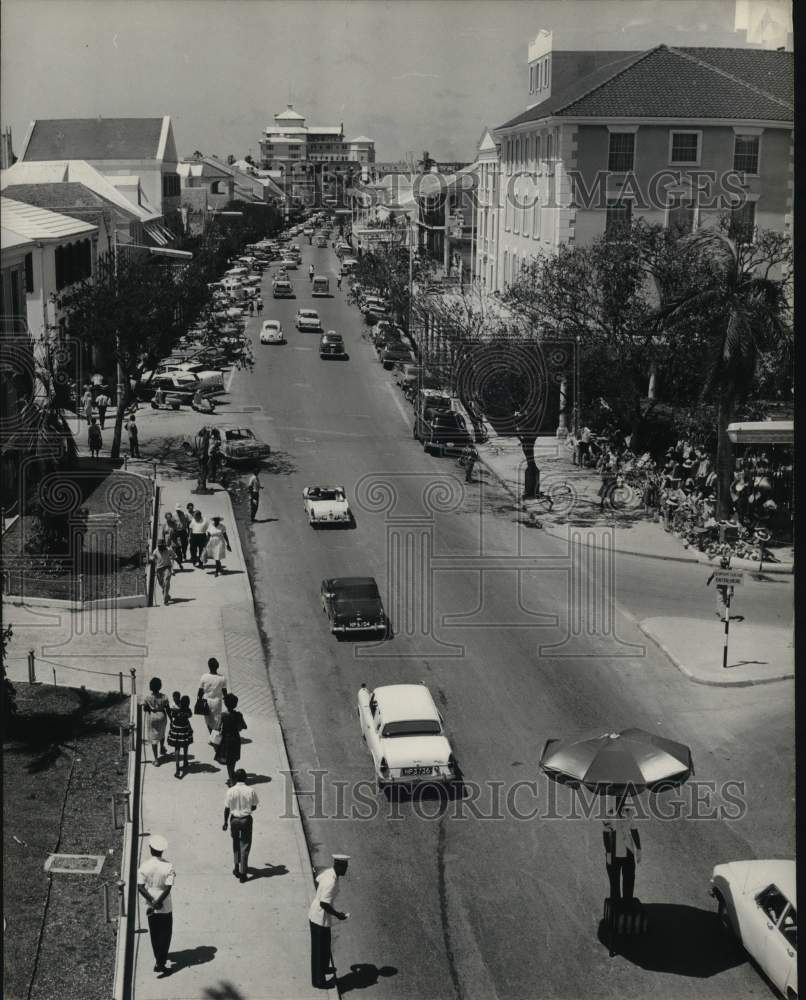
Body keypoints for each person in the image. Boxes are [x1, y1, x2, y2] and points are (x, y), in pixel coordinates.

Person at [308, 854, 350, 989]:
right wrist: (339, 915)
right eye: (345, 866)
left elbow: (317, 879)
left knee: (325, 945)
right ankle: (318, 981)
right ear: (339, 866)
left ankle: (324, 968)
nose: (346, 869)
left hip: (322, 917)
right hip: (319, 918)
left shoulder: (330, 873)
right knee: (318, 950)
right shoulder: (331, 881)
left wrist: (320, 892)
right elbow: (324, 904)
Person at [137, 834, 175, 974]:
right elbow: (168, 887)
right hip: (165, 904)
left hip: (150, 903)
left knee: (154, 933)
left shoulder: (145, 866)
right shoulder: (168, 866)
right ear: (162, 851)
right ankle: (160, 962)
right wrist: (159, 902)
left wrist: (152, 902)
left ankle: (158, 958)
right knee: (166, 933)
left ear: (150, 849)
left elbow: (140, 887)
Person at [223, 769, 260, 883]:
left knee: (235, 843)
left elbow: (227, 808)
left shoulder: (230, 791)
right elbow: (254, 806)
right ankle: (243, 873)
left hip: (234, 820)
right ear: (246, 778)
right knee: (245, 845)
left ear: (234, 778)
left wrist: (225, 822)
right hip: (246, 820)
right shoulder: (251, 790)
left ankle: (236, 866)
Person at [602, 805, 641, 903]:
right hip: (614, 851)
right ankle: (616, 906)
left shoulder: (630, 812)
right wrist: (608, 853)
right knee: (615, 884)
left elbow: (634, 830)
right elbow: (606, 834)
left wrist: (638, 848)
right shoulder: (610, 814)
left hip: (628, 851)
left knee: (629, 880)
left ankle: (627, 904)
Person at [215, 693, 247, 786]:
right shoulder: (239, 715)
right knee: (232, 760)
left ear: (225, 704)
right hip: (235, 739)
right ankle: (232, 778)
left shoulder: (223, 715)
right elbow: (244, 726)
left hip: (225, 740)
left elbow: (217, 727)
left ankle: (232, 780)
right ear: (235, 704)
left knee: (229, 761)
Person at [198, 657, 228, 739]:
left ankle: (212, 736)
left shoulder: (204, 677)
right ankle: (215, 738)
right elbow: (225, 692)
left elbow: (200, 691)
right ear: (217, 666)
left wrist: (199, 701)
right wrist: (227, 702)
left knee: (208, 721)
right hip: (217, 703)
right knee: (217, 722)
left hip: (206, 702)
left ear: (209, 666)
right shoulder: (222, 678)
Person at [144, 676, 170, 765]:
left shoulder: (148, 698)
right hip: (162, 716)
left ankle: (156, 759)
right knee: (162, 732)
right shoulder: (164, 697)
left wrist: (150, 708)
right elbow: (168, 708)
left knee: (154, 737)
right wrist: (171, 719)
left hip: (153, 718)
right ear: (160, 686)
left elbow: (145, 709)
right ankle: (162, 747)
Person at [167, 694, 194, 778]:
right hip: (184, 730)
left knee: (177, 748)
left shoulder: (176, 711)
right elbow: (189, 715)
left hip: (176, 730)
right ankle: (185, 760)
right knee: (185, 744)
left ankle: (177, 767)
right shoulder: (188, 711)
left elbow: (172, 715)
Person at [150, 540, 175, 605]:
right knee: (162, 584)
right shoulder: (155, 551)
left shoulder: (169, 550)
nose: (160, 547)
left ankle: (165, 599)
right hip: (159, 569)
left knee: (166, 581)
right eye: (159, 546)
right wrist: (152, 558)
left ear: (164, 545)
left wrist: (173, 568)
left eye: (162, 546)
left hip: (167, 567)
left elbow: (174, 556)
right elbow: (152, 557)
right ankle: (166, 594)